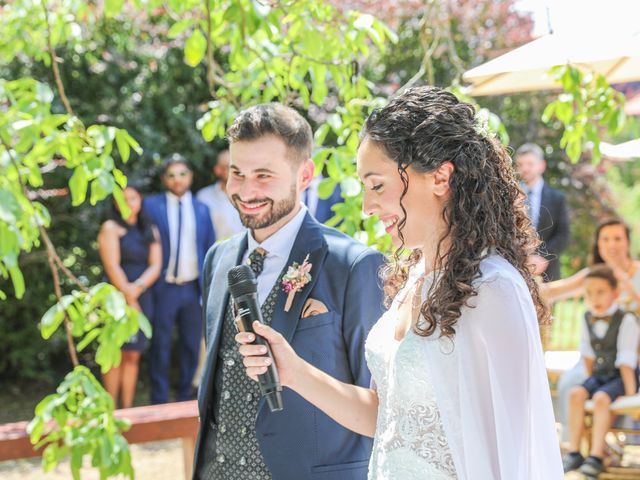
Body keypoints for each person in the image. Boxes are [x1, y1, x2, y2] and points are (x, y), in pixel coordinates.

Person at [237, 87, 563, 479]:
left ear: (440, 177)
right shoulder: (414, 278)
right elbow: (387, 417)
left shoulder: (493, 288)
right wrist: (291, 371)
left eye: (377, 185)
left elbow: (515, 450)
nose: (367, 207)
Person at [192, 103, 386, 480]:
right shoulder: (218, 260)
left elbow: (381, 408)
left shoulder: (354, 265)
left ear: (305, 175)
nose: (246, 190)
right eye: (237, 173)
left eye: (263, 175)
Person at [543, 218, 640, 434]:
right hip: (599, 357)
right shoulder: (594, 276)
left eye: (617, 239)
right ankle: (577, 446)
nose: (611, 245)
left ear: (627, 242)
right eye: (605, 239)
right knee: (571, 382)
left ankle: (621, 440)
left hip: (632, 355)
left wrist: (624, 282)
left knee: (621, 384)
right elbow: (554, 291)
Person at [143, 155, 216, 404]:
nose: (177, 180)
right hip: (164, 287)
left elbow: (209, 249)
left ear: (190, 176)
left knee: (191, 345)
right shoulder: (151, 206)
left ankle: (185, 396)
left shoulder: (202, 209)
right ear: (164, 179)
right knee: (160, 345)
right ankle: (159, 399)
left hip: (192, 287)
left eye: (182, 174)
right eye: (172, 175)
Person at [562, 265, 639, 476]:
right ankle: (575, 452)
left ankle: (596, 455)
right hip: (599, 374)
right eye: (588, 293)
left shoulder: (627, 319)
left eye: (600, 292)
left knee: (601, 399)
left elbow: (626, 358)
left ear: (615, 293)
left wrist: (631, 393)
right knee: (576, 393)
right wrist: (589, 383)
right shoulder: (587, 317)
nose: (594, 298)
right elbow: (587, 354)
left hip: (622, 375)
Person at [97, 183, 162, 408]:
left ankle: (127, 408)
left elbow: (156, 265)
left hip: (142, 295)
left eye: (133, 198)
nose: (129, 203)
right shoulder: (110, 227)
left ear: (140, 200)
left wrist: (138, 289)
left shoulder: (149, 228)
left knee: (133, 355)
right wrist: (129, 297)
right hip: (116, 298)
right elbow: (112, 265)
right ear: (115, 203)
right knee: (114, 354)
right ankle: (110, 408)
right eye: (123, 199)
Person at [515, 143, 570, 281]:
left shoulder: (558, 198)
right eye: (520, 164)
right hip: (516, 270)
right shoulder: (510, 197)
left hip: (547, 273)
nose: (525, 169)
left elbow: (563, 235)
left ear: (542, 165)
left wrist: (542, 257)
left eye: (529, 164)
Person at [196, 148, 244, 240]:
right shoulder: (204, 197)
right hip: (214, 252)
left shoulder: (250, 196)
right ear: (217, 170)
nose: (234, 171)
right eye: (229, 167)